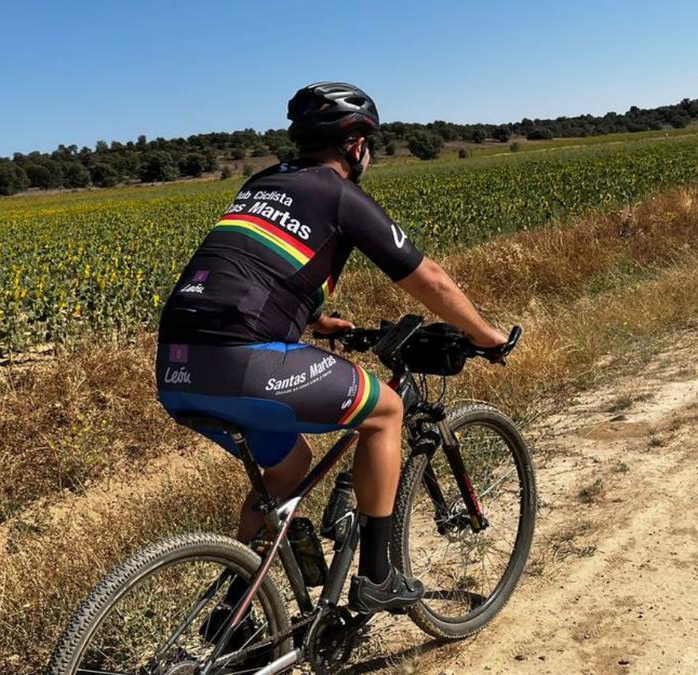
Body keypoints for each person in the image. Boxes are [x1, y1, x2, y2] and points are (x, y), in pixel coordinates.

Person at [156, 82, 509, 615]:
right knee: (386, 413)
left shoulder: (263, 183)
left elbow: (251, 266)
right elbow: (428, 279)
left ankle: (239, 614)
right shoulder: (341, 195)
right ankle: (379, 577)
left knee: (288, 467)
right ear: (355, 144)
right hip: (243, 359)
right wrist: (488, 335)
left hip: (177, 366)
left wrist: (315, 319)